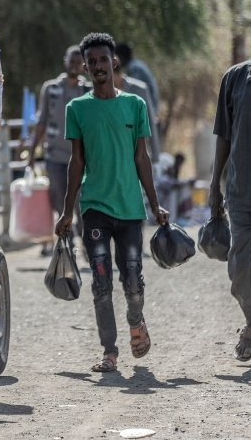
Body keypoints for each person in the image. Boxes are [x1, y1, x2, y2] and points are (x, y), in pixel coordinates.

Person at [55, 33, 169, 373]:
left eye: (103, 60)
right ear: (86, 68)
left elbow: (142, 158)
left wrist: (155, 204)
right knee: (101, 280)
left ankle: (137, 321)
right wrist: (66, 211)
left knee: (133, 280)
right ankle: (110, 351)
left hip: (131, 209)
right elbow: (76, 163)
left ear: (113, 61)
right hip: (94, 209)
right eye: (91, 63)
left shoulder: (135, 105)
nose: (97, 67)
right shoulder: (76, 109)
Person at [28, 45, 91, 252]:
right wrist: (31, 153)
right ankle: (67, 244)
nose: (74, 66)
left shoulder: (88, 91)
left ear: (83, 65)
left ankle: (87, 244)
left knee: (83, 204)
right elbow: (42, 122)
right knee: (59, 202)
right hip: (54, 157)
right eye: (71, 61)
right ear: (65, 62)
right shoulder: (51, 88)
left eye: (78, 62)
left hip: (82, 159)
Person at [209, 60, 251, 362]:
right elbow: (224, 135)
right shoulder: (236, 78)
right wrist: (214, 186)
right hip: (241, 192)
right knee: (241, 266)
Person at [115, 43, 160, 113]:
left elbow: (136, 91)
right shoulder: (135, 65)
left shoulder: (134, 68)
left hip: (149, 107)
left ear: (121, 57)